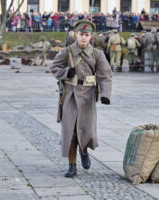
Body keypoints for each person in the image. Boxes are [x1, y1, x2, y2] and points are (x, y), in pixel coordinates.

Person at [50, 20, 113, 178]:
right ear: (76, 34)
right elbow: (54, 67)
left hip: (88, 96)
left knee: (85, 129)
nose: (84, 38)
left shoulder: (97, 54)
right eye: (81, 34)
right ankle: (72, 165)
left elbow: (106, 75)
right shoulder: (67, 52)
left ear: (91, 36)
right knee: (70, 130)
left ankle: (84, 151)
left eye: (87, 35)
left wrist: (105, 94)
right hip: (70, 95)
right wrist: (66, 72)